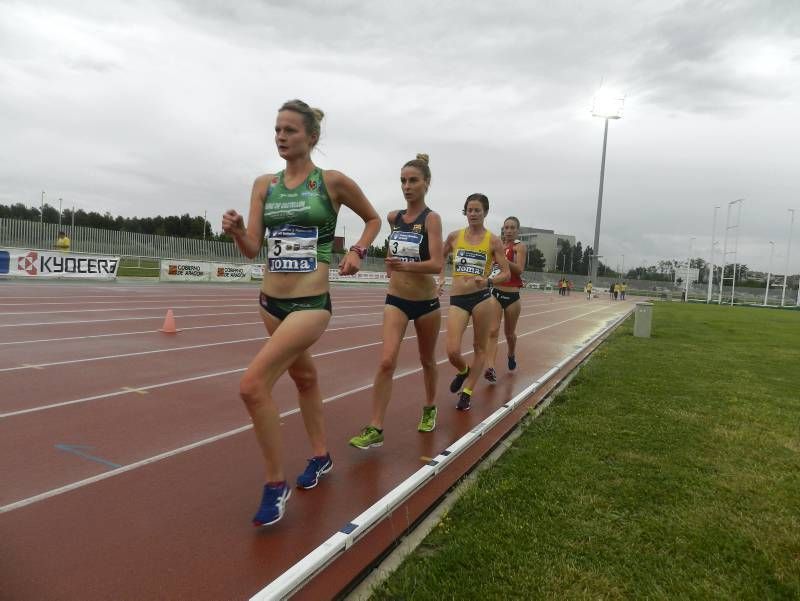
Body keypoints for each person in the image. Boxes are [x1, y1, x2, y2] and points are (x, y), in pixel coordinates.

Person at [222, 99, 380, 526]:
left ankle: (275, 485)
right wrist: (238, 232)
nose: (281, 137)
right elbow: (253, 248)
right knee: (304, 378)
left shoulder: (331, 182)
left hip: (311, 303)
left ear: (311, 137)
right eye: (277, 130)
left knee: (253, 386)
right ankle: (321, 456)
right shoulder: (263, 185)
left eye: (290, 130)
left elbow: (372, 218)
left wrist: (359, 251)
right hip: (270, 303)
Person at [349, 154, 444, 449]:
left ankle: (429, 407)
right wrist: (393, 265)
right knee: (387, 360)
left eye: (413, 180)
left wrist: (406, 266)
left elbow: (437, 263)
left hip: (426, 302)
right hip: (397, 299)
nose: (407, 186)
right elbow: (396, 252)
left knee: (427, 359)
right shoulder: (393, 218)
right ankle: (376, 426)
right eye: (403, 180)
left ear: (426, 183)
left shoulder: (432, 219)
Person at [439, 193, 510, 411]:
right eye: (469, 210)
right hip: (458, 298)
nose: (473, 214)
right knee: (452, 350)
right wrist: (441, 277)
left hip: (482, 299)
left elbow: (506, 274)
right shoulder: (453, 237)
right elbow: (439, 258)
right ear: (465, 212)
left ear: (485, 213)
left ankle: (468, 391)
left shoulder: (493, 241)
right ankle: (463, 370)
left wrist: (488, 279)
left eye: (477, 210)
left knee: (480, 348)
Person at [484, 216, 526, 382]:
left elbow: (519, 270)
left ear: (517, 230)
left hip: (513, 296)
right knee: (493, 331)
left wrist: (503, 259)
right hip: (496, 293)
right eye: (506, 227)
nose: (508, 231)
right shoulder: (497, 245)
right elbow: (490, 267)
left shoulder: (519, 247)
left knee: (509, 334)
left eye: (512, 228)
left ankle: (511, 354)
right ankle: (490, 368)